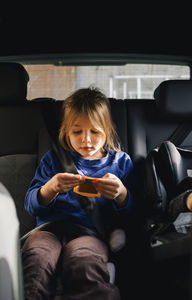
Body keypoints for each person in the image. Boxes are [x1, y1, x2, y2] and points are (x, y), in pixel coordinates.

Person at [22, 87, 134, 300]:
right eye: (77, 132)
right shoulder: (53, 159)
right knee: (37, 257)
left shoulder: (120, 162)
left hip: (89, 232)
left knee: (84, 262)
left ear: (107, 131)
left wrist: (121, 194)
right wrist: (50, 188)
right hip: (49, 229)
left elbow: (131, 214)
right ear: (65, 131)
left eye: (95, 132)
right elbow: (30, 204)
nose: (87, 140)